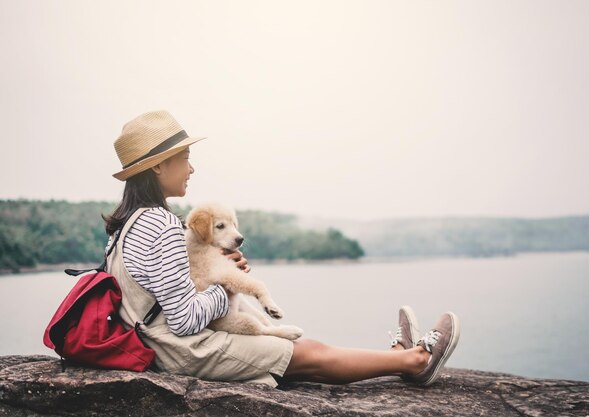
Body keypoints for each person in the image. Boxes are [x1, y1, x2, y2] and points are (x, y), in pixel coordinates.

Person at [104, 110, 460, 387]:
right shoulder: (161, 224)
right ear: (158, 166)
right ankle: (416, 361)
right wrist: (225, 285)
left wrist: (217, 266)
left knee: (293, 352)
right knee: (306, 352)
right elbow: (183, 320)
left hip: (156, 345)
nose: (191, 167)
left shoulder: (126, 225)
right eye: (184, 157)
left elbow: (168, 291)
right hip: (182, 351)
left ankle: (398, 355)